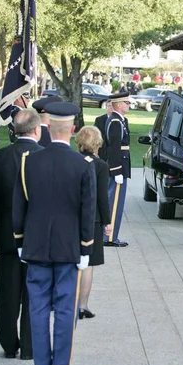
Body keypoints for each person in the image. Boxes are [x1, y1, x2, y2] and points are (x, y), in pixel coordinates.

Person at [12, 102, 96, 365]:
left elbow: (19, 206)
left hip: (35, 246)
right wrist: (86, 247)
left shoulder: (29, 162)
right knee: (64, 308)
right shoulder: (83, 165)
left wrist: (20, 241)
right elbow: (87, 211)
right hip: (68, 246)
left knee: (36, 308)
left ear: (47, 128)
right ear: (72, 130)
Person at [0, 109, 43, 360]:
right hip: (38, 238)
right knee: (35, 293)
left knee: (8, 293)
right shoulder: (46, 157)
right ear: (37, 129)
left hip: (8, 236)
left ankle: (9, 344)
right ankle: (30, 348)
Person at [76, 126, 112, 319]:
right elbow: (102, 197)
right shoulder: (100, 165)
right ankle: (82, 305)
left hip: (73, 217)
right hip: (93, 218)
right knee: (87, 263)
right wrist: (108, 221)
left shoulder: (73, 160)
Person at [104, 92, 131, 248]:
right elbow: (113, 148)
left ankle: (110, 235)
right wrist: (116, 170)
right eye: (127, 103)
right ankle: (110, 237)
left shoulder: (118, 120)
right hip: (117, 167)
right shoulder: (115, 122)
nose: (129, 105)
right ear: (119, 105)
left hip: (120, 166)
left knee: (115, 202)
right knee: (114, 203)